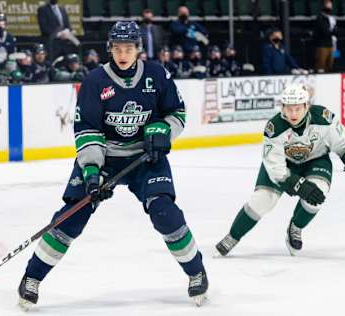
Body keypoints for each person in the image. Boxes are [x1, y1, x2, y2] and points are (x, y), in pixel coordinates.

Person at [17, 21, 208, 311]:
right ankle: (31, 278)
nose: (123, 53)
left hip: (146, 157)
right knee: (71, 217)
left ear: (138, 50)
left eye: (128, 48)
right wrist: (92, 173)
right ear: (110, 49)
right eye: (117, 48)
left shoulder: (157, 75)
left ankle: (196, 271)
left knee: (164, 212)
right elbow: (87, 130)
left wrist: (162, 132)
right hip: (104, 157)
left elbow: (176, 113)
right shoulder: (95, 81)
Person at [215, 83, 345, 257]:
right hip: (284, 166)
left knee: (317, 196)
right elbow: (275, 165)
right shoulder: (274, 127)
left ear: (307, 106)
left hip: (315, 161)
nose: (293, 114)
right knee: (261, 201)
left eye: (297, 109)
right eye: (289, 109)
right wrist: (297, 184)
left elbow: (343, 143)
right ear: (283, 107)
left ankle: (295, 228)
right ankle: (233, 236)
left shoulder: (323, 118)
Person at [314, 0, 337, 73]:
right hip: (322, 45)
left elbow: (336, 31)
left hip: (332, 45)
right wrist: (332, 31)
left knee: (330, 64)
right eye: (328, 5)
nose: (330, 7)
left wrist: (333, 31)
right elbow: (325, 31)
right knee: (321, 65)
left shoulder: (332, 18)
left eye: (331, 5)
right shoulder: (320, 18)